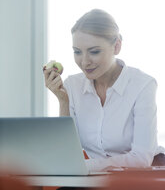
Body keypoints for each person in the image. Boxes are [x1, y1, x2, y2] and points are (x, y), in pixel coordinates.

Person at [43, 9, 165, 172]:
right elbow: (65, 154)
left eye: (94, 51)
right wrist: (63, 101)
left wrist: (87, 166)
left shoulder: (143, 85)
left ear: (117, 46)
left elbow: (141, 159)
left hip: (140, 178)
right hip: (99, 178)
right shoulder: (72, 85)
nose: (85, 61)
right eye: (77, 52)